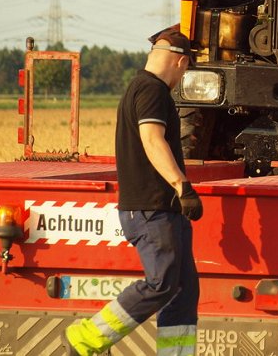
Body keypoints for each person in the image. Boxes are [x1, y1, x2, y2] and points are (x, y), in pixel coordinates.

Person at [66, 26, 203, 356]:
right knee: (162, 284)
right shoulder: (151, 89)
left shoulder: (144, 88)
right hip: (151, 208)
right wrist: (181, 185)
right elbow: (152, 139)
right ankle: (85, 338)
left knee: (182, 291)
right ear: (181, 63)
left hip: (162, 209)